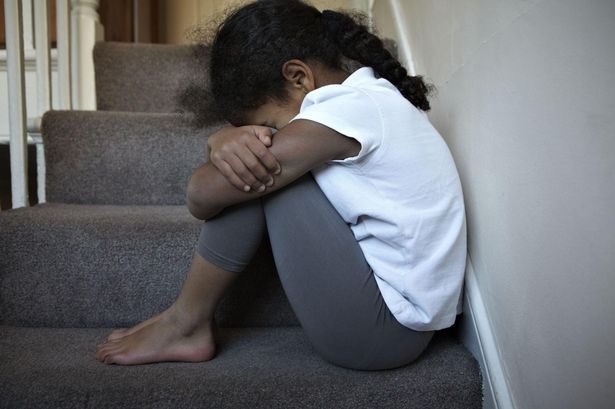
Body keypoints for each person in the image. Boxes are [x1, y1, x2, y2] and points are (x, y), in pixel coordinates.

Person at [95, 0, 466, 371]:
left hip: (381, 333)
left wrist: (221, 143)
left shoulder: (349, 109)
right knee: (259, 165)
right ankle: (184, 322)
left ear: (299, 78)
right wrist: (228, 140)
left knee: (258, 171)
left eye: (268, 123)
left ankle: (185, 322)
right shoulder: (370, 101)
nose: (265, 134)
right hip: (393, 324)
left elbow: (201, 195)